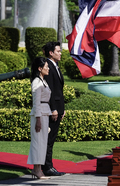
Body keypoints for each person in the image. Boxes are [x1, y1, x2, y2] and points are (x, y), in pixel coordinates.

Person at [41, 42, 65, 176]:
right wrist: (54, 109)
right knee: (48, 139)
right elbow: (49, 89)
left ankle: (47, 165)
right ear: (51, 53)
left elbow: (59, 90)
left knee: (51, 139)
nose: (60, 53)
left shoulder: (55, 66)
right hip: (53, 109)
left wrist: (62, 108)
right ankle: (47, 167)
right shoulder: (48, 66)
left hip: (58, 108)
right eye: (58, 51)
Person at [27, 57, 51, 180]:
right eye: (46, 66)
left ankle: (38, 169)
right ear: (39, 68)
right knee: (38, 143)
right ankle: (36, 170)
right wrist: (38, 119)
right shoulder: (36, 82)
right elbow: (36, 103)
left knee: (42, 144)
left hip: (45, 113)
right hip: (39, 115)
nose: (48, 68)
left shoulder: (43, 81)